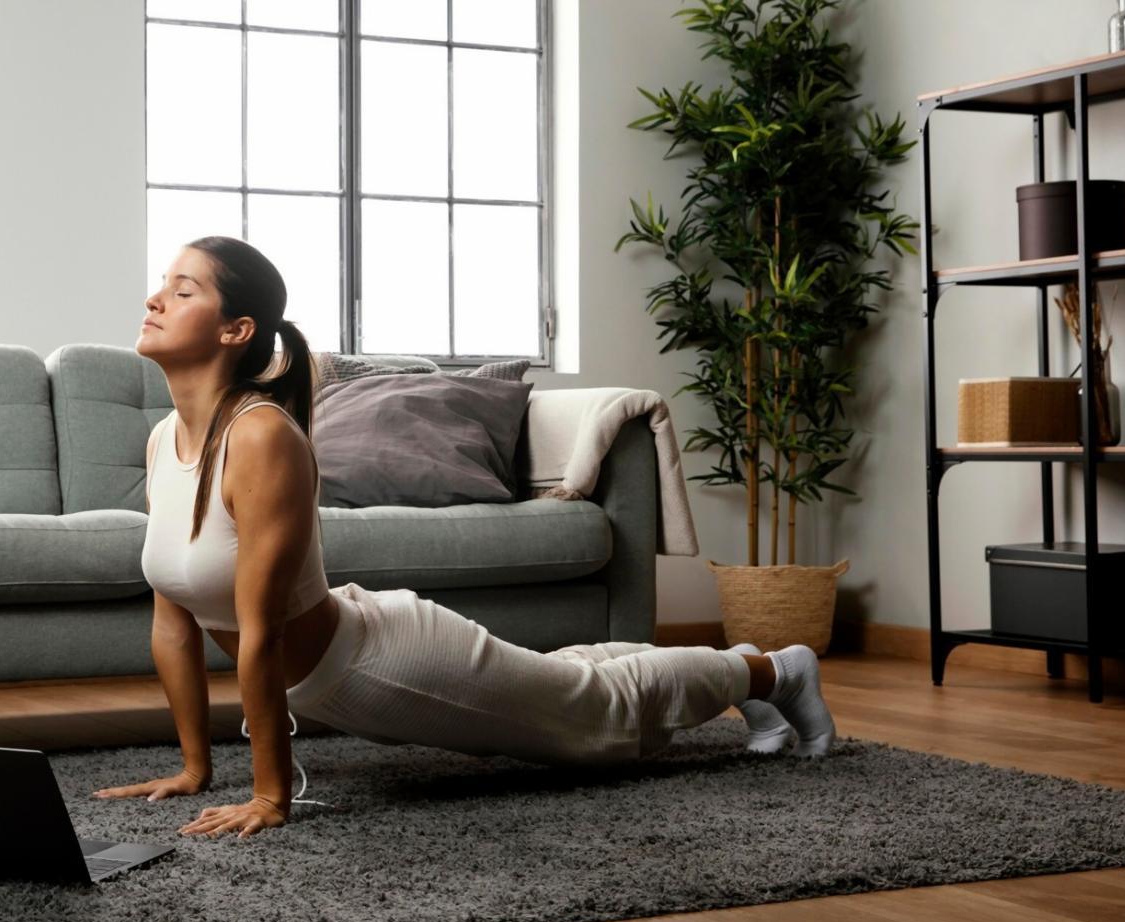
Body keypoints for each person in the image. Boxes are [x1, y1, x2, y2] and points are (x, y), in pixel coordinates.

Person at [92, 236, 836, 840]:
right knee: (561, 676)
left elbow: (258, 633)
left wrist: (271, 796)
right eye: (163, 281)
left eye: (183, 290)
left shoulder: (260, 439)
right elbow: (174, 622)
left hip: (381, 663)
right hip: (342, 666)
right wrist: (194, 769)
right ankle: (736, 666)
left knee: (593, 714)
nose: (155, 298)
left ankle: (773, 673)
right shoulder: (166, 439)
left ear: (236, 330)